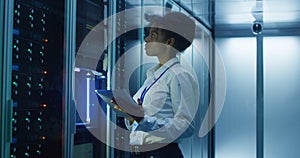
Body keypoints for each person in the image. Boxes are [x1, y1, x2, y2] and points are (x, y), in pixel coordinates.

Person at [112, 11, 199, 158]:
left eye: (153, 35)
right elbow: (143, 122)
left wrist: (143, 120)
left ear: (169, 42)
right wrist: (132, 117)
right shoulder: (152, 76)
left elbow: (186, 126)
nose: (146, 39)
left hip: (160, 154)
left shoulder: (179, 75)